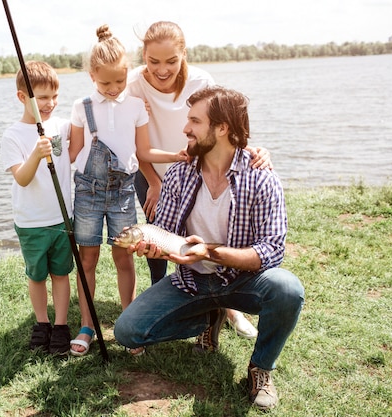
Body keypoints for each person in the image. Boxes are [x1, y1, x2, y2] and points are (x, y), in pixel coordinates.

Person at [113, 86, 305, 410]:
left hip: (242, 281)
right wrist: (153, 247)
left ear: (222, 128)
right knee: (127, 331)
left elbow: (271, 251)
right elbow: (169, 233)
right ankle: (207, 319)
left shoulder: (261, 178)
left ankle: (260, 367)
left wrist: (211, 253)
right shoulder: (179, 173)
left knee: (288, 289)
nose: (185, 128)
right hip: (191, 281)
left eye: (194, 121)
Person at [127, 20, 262, 339]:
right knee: (157, 242)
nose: (162, 70)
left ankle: (229, 308)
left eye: (171, 61)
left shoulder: (202, 80)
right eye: (153, 61)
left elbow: (222, 128)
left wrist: (255, 150)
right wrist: (155, 183)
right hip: (151, 173)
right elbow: (133, 142)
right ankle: (158, 304)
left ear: (184, 54)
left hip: (196, 171)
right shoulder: (133, 84)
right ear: (143, 56)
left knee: (207, 238)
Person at [68, 24, 186, 357]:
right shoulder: (82, 107)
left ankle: (128, 322)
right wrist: (53, 145)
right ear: (92, 75)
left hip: (121, 195)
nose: (113, 88)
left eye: (120, 81)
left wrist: (175, 155)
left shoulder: (135, 106)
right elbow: (74, 152)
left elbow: (145, 151)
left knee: (124, 257)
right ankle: (87, 325)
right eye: (105, 82)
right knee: (87, 259)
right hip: (88, 194)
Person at [0, 61, 73, 355]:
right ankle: (41, 322)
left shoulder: (63, 126)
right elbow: (22, 177)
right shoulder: (12, 135)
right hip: (31, 222)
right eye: (42, 98)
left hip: (61, 218)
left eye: (54, 96)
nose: (50, 103)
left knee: (61, 273)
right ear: (22, 97)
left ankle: (61, 325)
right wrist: (36, 153)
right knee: (36, 275)